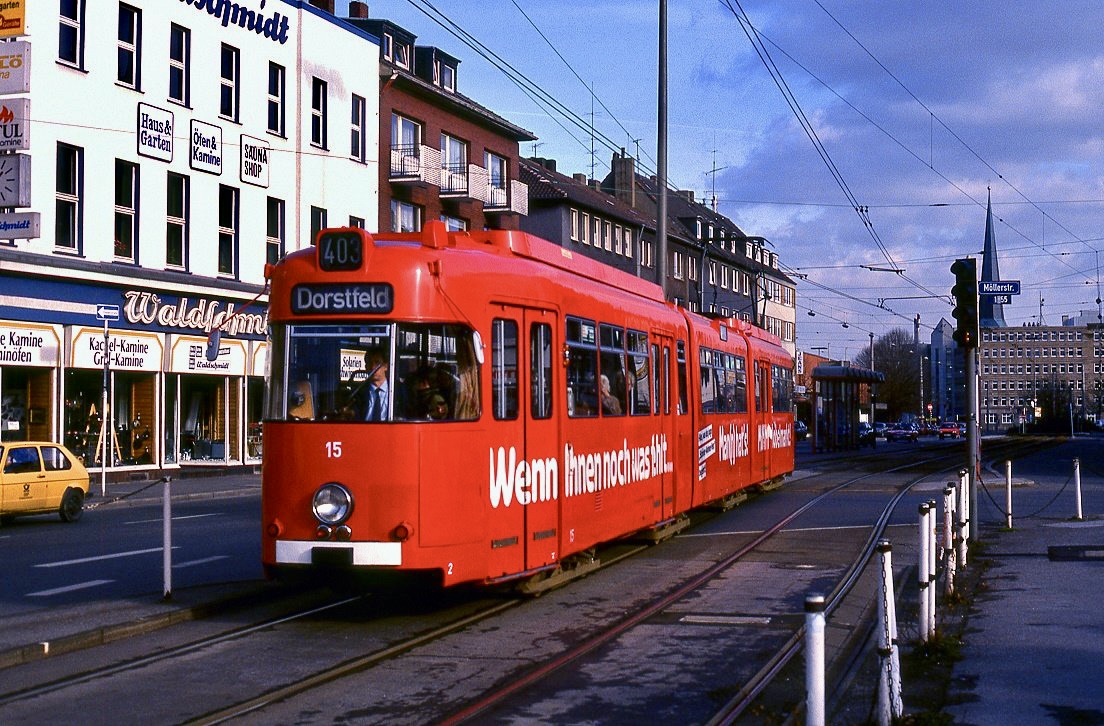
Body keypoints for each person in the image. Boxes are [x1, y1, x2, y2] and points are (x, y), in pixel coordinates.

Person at [364, 351, 390, 421]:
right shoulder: (359, 393)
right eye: (370, 363)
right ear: (366, 367)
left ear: (385, 366)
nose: (373, 367)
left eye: (377, 363)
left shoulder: (398, 391)